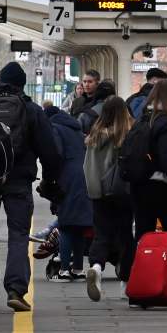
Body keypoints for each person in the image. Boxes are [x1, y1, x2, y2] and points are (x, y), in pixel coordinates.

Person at [0, 61, 62, 313]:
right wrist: (51, 180)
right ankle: (15, 290)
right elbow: (50, 151)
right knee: (18, 234)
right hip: (19, 181)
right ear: (22, 85)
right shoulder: (31, 110)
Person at [128, 78, 167, 253]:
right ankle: (163, 269)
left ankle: (136, 272)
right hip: (161, 185)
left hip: (139, 182)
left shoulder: (143, 119)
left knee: (142, 232)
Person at [84, 96, 135, 301]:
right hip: (121, 191)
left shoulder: (94, 136)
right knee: (125, 236)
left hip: (97, 192)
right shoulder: (126, 135)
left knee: (101, 232)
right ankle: (126, 282)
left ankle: (96, 266)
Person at [43, 105, 93, 280]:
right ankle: (77, 269)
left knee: (65, 225)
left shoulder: (55, 129)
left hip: (67, 178)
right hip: (84, 176)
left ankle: (64, 269)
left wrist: (49, 179)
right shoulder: (75, 129)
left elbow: (56, 155)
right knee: (78, 226)